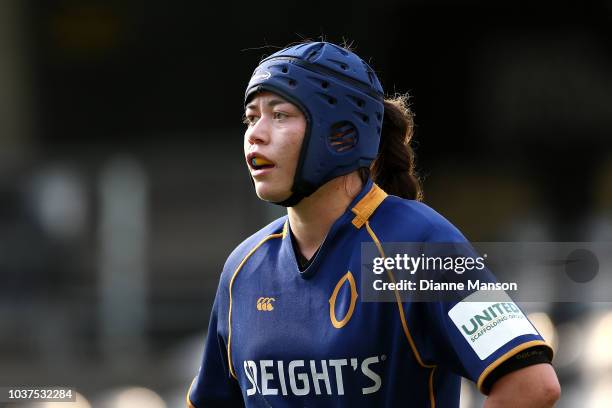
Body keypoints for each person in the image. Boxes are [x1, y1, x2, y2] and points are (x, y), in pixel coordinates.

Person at [187, 41, 560, 407]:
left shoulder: (421, 247)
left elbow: (531, 384)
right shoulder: (242, 269)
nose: (256, 133)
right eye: (251, 117)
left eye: (280, 115)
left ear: (341, 133)